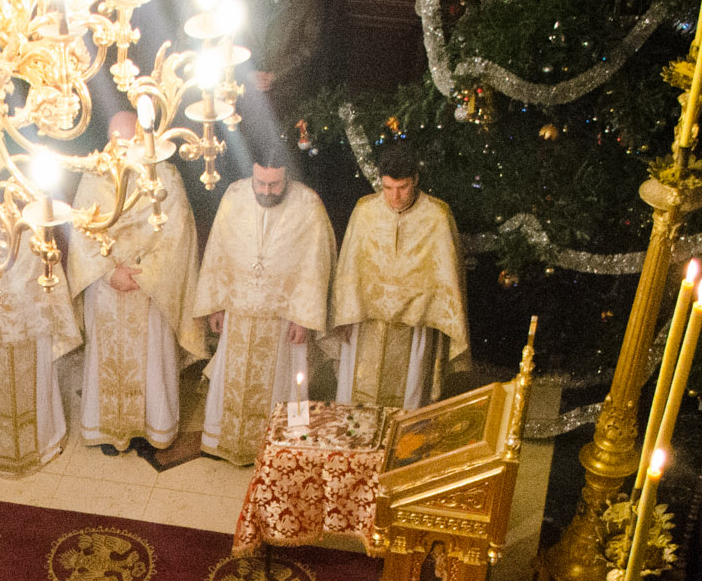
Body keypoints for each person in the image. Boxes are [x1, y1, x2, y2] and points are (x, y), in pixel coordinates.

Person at [68, 112, 207, 456]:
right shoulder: (93, 175)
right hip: (106, 288)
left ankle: (152, 428)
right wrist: (108, 271)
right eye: (117, 144)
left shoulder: (166, 177)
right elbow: (81, 230)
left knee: (152, 361)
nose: (124, 152)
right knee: (106, 358)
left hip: (150, 290)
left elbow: (178, 234)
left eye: (132, 144)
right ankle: (109, 429)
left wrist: (146, 274)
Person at [194, 144, 336, 463]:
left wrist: (304, 318)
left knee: (282, 383)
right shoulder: (234, 194)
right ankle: (223, 441)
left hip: (284, 320)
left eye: (274, 184)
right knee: (232, 379)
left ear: (287, 177)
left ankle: (278, 449)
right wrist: (216, 304)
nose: (267, 191)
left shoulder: (309, 203)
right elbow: (218, 250)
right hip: (239, 312)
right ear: (253, 174)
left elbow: (316, 266)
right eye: (261, 183)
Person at [330, 142, 468, 408]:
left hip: (414, 325)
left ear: (415, 180)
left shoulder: (437, 216)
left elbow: (448, 278)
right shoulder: (365, 211)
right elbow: (348, 269)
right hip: (365, 323)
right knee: (356, 400)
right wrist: (343, 314)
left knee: (408, 398)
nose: (394, 197)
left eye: (402, 188)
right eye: (387, 188)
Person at [0, 216, 82, 474]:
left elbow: (46, 283)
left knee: (36, 381)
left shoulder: (32, 227)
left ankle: (46, 442)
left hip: (32, 333)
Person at [249, 0, 325, 134]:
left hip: (290, 91)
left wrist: (275, 76)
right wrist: (250, 74)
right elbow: (238, 41)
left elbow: (310, 47)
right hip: (252, 88)